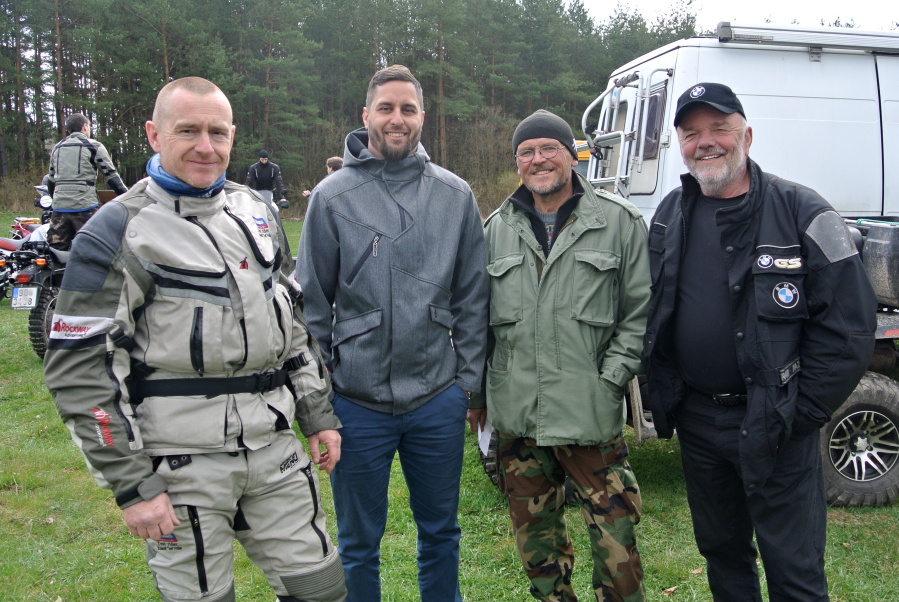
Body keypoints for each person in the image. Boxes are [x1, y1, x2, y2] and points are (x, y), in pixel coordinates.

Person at [44, 77, 347, 602]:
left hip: (275, 454)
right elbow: (80, 371)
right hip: (180, 470)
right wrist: (134, 487)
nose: (206, 147)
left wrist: (317, 416)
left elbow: (293, 325)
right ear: (154, 135)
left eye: (218, 132)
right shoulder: (117, 229)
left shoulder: (255, 210)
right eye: (188, 131)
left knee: (322, 591)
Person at [642, 82, 877, 601]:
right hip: (700, 423)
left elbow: (851, 327)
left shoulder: (805, 212)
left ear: (746, 134)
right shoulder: (668, 216)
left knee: (794, 571)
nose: (706, 142)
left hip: (777, 423)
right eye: (691, 132)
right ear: (680, 144)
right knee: (724, 558)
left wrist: (800, 412)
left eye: (719, 129)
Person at [296, 64, 489, 602]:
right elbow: (310, 305)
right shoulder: (331, 198)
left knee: (441, 534)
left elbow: (473, 297)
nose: (397, 119)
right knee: (358, 543)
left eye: (407, 109)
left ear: (422, 117)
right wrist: (323, 395)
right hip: (356, 403)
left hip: (436, 398)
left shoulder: (454, 196)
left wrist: (466, 387)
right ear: (366, 116)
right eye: (386, 108)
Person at [468, 109, 649, 602]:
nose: (538, 159)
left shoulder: (619, 223)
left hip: (589, 413)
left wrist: (609, 379)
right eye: (526, 152)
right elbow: (477, 324)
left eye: (549, 147)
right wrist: (478, 395)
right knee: (537, 546)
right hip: (518, 417)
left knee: (617, 542)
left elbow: (639, 315)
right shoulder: (494, 231)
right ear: (517, 163)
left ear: (572, 154)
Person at [46, 113, 128, 250]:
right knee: (96, 247)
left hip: (59, 209)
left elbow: (51, 180)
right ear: (84, 127)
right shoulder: (93, 146)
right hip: (84, 207)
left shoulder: (57, 147)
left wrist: (54, 201)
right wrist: (128, 196)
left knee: (56, 251)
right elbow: (112, 178)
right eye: (89, 126)